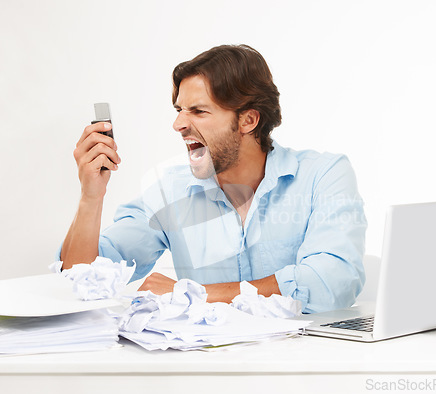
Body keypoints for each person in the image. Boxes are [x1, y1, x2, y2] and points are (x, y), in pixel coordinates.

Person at [59, 44, 367, 313]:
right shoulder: (171, 191)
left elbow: (332, 283)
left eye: (198, 111)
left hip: (304, 365)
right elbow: (85, 280)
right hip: (209, 368)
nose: (178, 124)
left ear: (248, 119)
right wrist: (91, 196)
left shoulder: (322, 175)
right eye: (179, 109)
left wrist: (195, 295)